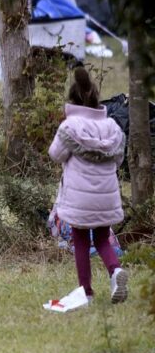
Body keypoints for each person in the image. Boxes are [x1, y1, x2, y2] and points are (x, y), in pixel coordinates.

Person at [49, 67, 128, 304]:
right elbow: (119, 158)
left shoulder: (69, 127)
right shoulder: (112, 127)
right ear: (95, 99)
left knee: (81, 241)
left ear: (72, 100)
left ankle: (86, 291)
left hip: (79, 199)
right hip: (106, 197)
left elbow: (55, 154)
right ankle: (115, 271)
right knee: (103, 239)